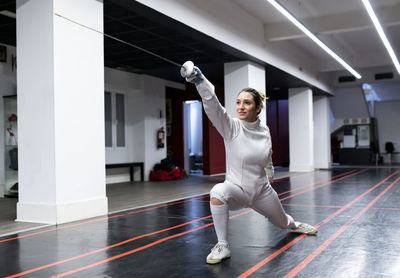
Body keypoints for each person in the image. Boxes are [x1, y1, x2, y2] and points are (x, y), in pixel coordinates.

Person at [183, 64, 317, 265]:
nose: (240, 107)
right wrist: (199, 80)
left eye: (246, 103)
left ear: (258, 107)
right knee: (218, 192)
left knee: (283, 222)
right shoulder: (232, 127)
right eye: (238, 102)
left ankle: (294, 225)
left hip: (262, 191)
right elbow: (213, 105)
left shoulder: (264, 130)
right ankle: (222, 245)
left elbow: (268, 154)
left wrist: (270, 171)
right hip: (237, 189)